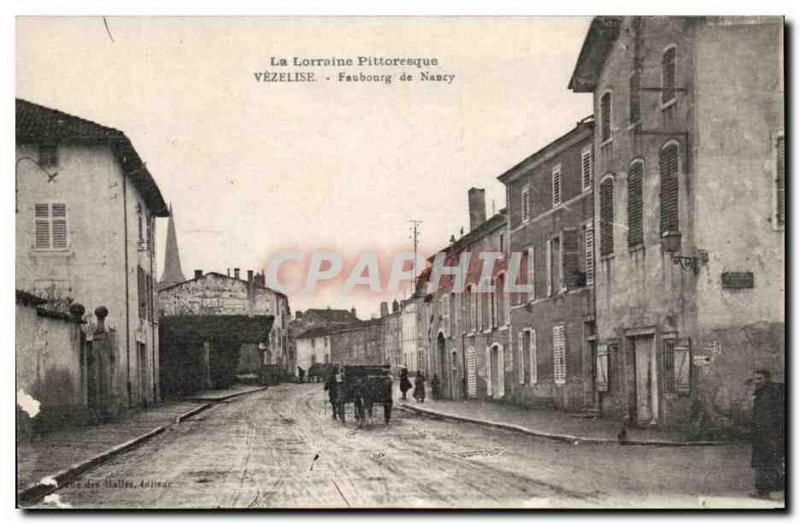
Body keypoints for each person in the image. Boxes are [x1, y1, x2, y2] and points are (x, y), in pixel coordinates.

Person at [749, 369, 785, 499]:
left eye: (760, 379)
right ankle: (764, 490)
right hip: (762, 434)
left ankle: (764, 491)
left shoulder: (770, 394)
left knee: (767, 463)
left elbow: (774, 416)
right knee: (766, 463)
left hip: (769, 434)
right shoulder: (761, 393)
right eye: (755, 379)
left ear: (767, 380)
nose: (756, 381)